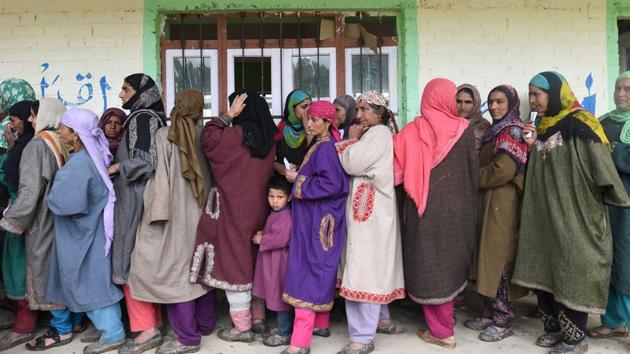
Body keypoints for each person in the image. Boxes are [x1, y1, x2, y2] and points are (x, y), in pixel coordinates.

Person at [512, 71, 629, 354]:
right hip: (543, 212)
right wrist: (530, 145)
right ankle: (553, 328)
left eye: (538, 94)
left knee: (571, 267)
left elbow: (601, 163)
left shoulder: (582, 124)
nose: (533, 100)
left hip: (575, 211)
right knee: (544, 263)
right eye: (531, 95)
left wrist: (615, 194)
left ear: (555, 94)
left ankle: (575, 339)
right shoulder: (541, 124)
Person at [126, 90, 215, 354]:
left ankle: (187, 338)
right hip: (201, 214)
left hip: (171, 217)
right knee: (199, 267)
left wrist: (154, 215)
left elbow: (160, 181)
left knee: (175, 275)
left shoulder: (165, 135)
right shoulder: (207, 136)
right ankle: (204, 324)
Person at [394, 78, 479, 349]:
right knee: (450, 264)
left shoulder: (410, 132)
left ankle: (442, 333)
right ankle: (445, 324)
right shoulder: (464, 129)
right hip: (457, 211)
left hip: (423, 211)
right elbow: (472, 174)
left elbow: (395, 174)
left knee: (430, 265)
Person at [190, 89, 276, 343]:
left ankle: (242, 327)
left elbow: (208, 139)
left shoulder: (233, 135)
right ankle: (258, 318)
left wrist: (227, 116)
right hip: (261, 208)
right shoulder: (270, 137)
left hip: (232, 209)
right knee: (254, 261)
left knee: (235, 265)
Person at [43, 108, 125, 354]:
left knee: (92, 285)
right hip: (91, 232)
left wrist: (48, 194)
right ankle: (110, 331)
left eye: (64, 129)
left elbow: (66, 203)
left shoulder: (79, 164)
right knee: (95, 282)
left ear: (77, 135)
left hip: (84, 237)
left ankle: (113, 335)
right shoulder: (92, 157)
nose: (59, 131)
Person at [335, 91, 404, 354]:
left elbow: (353, 164)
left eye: (364, 109)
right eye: (359, 109)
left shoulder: (378, 134)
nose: (359, 115)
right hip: (369, 211)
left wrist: (349, 142)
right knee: (370, 267)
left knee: (364, 271)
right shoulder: (375, 134)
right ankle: (380, 320)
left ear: (379, 113)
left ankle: (362, 338)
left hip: (371, 213)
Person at [281, 100, 349, 354]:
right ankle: (320, 324)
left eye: (314, 120)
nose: (308, 123)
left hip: (320, 223)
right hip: (317, 219)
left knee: (308, 274)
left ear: (327, 123)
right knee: (318, 270)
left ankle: (299, 343)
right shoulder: (321, 145)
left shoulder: (326, 149)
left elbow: (331, 185)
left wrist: (296, 179)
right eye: (307, 118)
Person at [0, 98, 68, 349]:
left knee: (40, 270)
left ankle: (61, 329)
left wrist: (10, 222)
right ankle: (68, 324)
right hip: (58, 216)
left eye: (32, 115)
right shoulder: (60, 139)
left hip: (39, 219)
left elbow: (29, 191)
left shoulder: (38, 145)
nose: (29, 120)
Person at [464, 85, 529, 342]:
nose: (494, 107)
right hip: (489, 199)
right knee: (485, 256)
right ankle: (489, 312)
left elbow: (503, 170)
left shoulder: (512, 131)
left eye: (500, 102)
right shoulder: (496, 130)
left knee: (498, 258)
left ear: (511, 103)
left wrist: (472, 178)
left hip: (503, 201)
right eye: (491, 102)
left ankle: (504, 319)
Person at [110, 73, 167, 354]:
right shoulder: (150, 116)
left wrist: (117, 168)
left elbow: (145, 161)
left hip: (134, 198)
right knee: (139, 260)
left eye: (126, 89)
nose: (121, 95)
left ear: (141, 92)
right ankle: (152, 321)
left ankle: (147, 328)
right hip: (139, 197)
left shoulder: (142, 118)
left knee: (129, 262)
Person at [588, 71, 630, 340]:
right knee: (607, 260)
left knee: (626, 263)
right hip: (604, 204)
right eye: (617, 88)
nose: (621, 94)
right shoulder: (602, 121)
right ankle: (613, 321)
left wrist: (614, 151)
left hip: (627, 207)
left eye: (627, 89)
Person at [0, 79, 36, 333]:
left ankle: (24, 321)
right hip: (21, 210)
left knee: (19, 265)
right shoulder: (31, 140)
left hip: (21, 212)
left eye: (14, 120)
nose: (10, 125)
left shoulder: (30, 144)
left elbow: (15, 176)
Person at [251, 176, 293, 347]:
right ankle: (284, 328)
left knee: (279, 298)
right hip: (273, 262)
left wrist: (262, 239)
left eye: (280, 197)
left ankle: (284, 333)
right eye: (271, 196)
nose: (275, 201)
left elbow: (281, 239)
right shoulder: (277, 212)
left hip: (279, 264)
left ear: (289, 197)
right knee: (276, 295)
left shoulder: (286, 215)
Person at [275, 90, 312, 176]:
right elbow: (276, 158)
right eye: (304, 107)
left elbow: (313, 149)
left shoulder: (315, 127)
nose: (308, 110)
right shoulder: (281, 127)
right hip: (285, 176)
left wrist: (307, 126)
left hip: (307, 176)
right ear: (292, 108)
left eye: (310, 106)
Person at [456, 84, 491, 152]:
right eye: (458, 101)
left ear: (476, 103)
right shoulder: (447, 124)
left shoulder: (484, 126)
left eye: (468, 102)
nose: (463, 107)